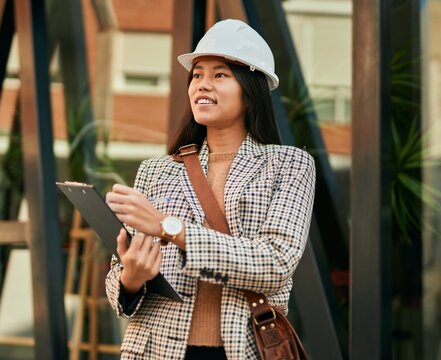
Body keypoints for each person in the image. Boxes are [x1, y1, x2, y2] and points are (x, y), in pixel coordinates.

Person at [105, 19, 316, 360]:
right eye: (197, 75)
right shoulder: (157, 170)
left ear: (251, 90)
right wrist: (131, 277)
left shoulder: (289, 165)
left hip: (242, 350)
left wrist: (169, 228)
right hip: (154, 349)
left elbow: (276, 262)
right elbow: (118, 285)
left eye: (219, 75)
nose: (202, 85)